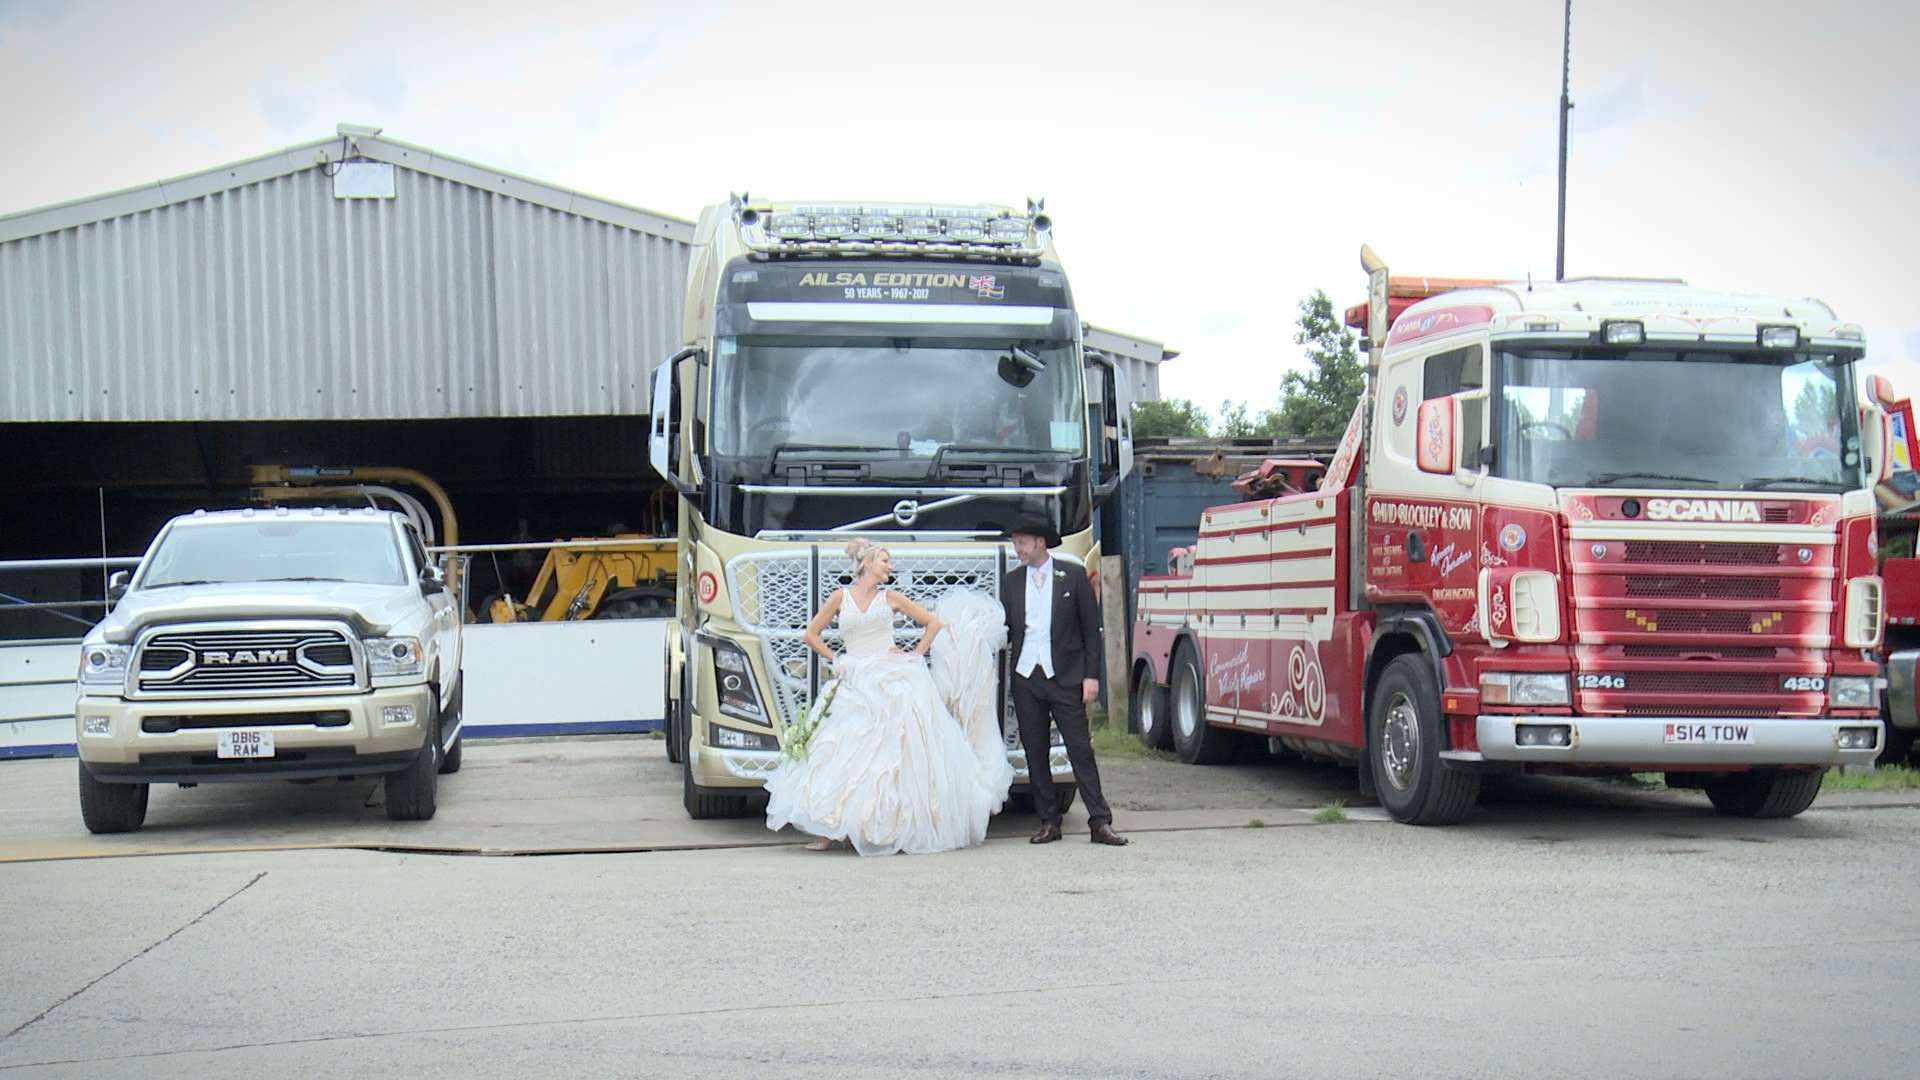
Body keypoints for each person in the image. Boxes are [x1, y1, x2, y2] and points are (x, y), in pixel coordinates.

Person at [763, 539, 1012, 856]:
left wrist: (915, 654)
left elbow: (933, 623)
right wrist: (836, 660)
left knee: (894, 754)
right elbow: (810, 634)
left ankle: (887, 826)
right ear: (867, 563)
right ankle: (830, 828)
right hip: (854, 676)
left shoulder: (890, 597)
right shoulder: (840, 598)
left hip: (891, 675)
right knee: (841, 751)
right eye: (884, 560)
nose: (890, 566)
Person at [1002, 519, 1127, 846]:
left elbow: (1091, 630)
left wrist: (1091, 676)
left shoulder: (1071, 575)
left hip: (1066, 677)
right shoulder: (1011, 582)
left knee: (1080, 750)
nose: (1018, 549)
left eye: (1022, 542)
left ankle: (1100, 821)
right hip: (1027, 676)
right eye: (1015, 543)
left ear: (1040, 543)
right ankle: (1048, 821)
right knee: (1035, 750)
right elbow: (1004, 626)